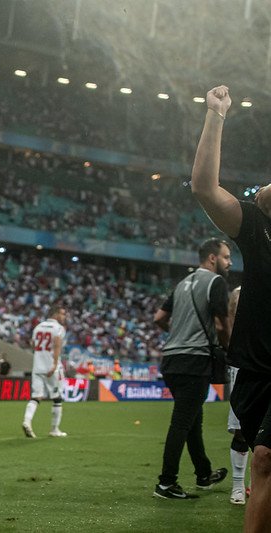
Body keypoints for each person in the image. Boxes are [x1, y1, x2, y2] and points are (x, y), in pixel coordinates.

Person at [193, 86, 271, 530]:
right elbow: (204, 188)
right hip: (256, 367)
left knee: (263, 458)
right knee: (264, 465)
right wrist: (215, 115)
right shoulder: (257, 224)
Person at [151, 238, 231, 500]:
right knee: (182, 423)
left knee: (192, 420)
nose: (229, 262)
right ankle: (166, 483)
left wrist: (178, 336)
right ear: (212, 258)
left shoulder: (183, 284)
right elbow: (221, 326)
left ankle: (203, 474)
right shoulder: (215, 282)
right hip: (195, 360)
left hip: (172, 359)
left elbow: (159, 318)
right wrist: (230, 350)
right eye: (226, 257)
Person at [22, 305, 68, 439]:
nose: (64, 317)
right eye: (62, 314)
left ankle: (27, 421)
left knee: (36, 397)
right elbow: (57, 344)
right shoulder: (58, 328)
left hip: (37, 366)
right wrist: (54, 364)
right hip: (52, 368)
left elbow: (33, 344)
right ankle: (54, 429)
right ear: (55, 314)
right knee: (57, 398)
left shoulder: (38, 327)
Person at [225, 286, 250, 506]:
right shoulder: (240, 292)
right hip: (244, 365)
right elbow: (230, 325)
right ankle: (238, 485)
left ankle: (258, 483)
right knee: (241, 430)